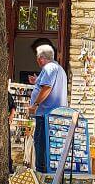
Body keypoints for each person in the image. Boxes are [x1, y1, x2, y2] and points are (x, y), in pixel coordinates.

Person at [28, 44, 68, 173]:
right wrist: (37, 80)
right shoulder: (59, 68)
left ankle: (42, 172)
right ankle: (49, 170)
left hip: (46, 114)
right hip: (55, 114)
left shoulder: (49, 68)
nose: (36, 60)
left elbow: (47, 88)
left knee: (41, 143)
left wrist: (36, 104)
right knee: (50, 143)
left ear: (41, 58)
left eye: (37, 57)